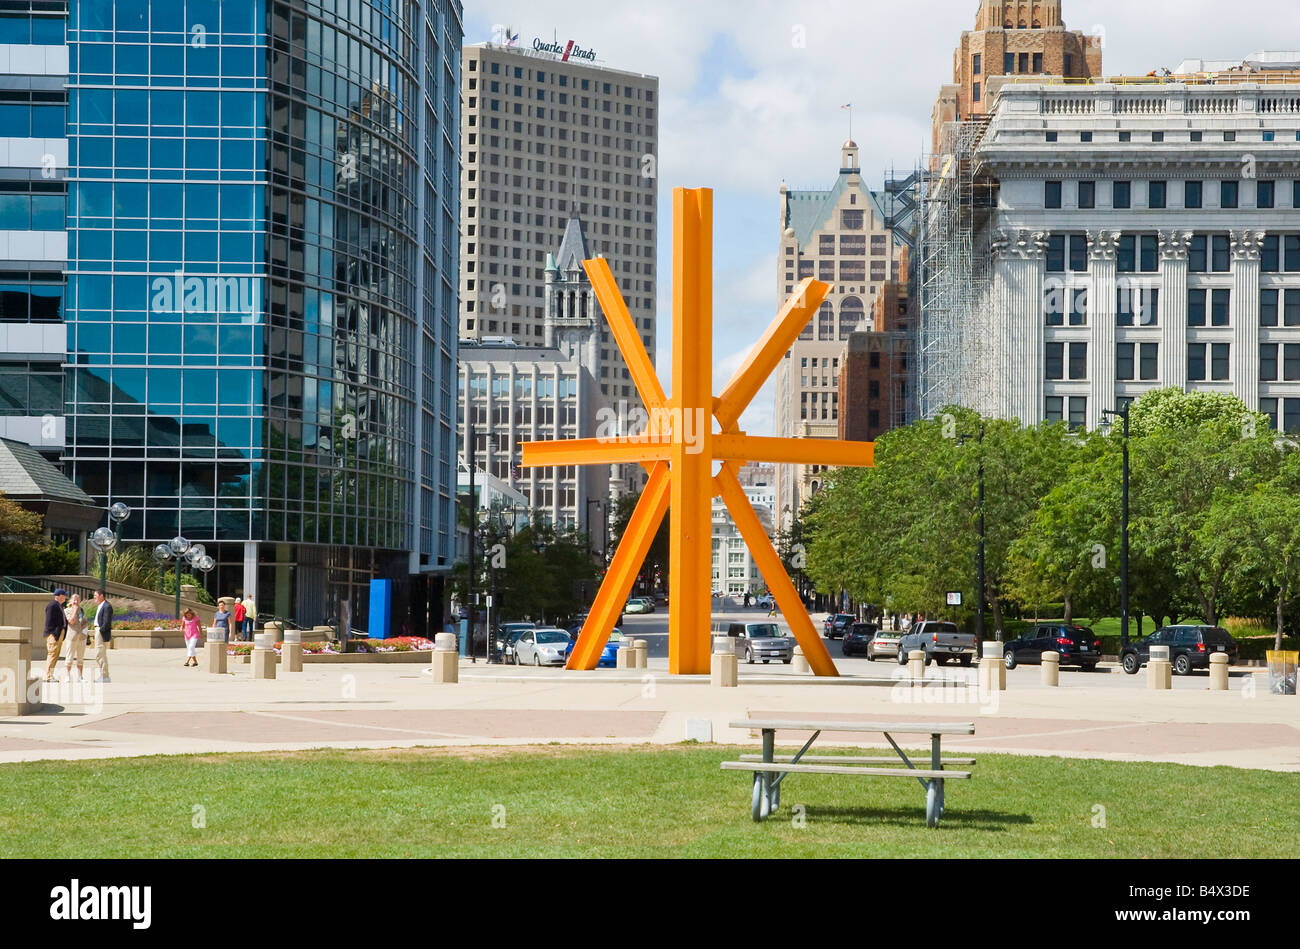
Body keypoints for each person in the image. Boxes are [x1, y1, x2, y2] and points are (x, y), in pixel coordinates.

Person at [43, 589, 68, 682]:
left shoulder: (58, 605)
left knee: (56, 655)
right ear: (60, 596)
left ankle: (50, 675)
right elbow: (49, 621)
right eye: (65, 595)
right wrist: (53, 633)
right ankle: (48, 676)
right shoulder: (52, 605)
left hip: (59, 633)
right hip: (54, 634)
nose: (66, 597)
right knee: (52, 654)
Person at [63, 593, 88, 680]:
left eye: (77, 600)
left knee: (80, 657)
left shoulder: (82, 610)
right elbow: (71, 621)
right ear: (70, 601)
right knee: (69, 657)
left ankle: (80, 676)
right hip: (72, 637)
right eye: (74, 600)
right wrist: (74, 610)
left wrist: (84, 626)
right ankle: (67, 675)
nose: (76, 601)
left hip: (82, 637)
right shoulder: (67, 610)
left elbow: (85, 622)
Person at [90, 590, 113, 683]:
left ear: (101, 596)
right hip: (97, 630)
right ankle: (104, 675)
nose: (94, 597)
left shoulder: (107, 606)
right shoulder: (100, 605)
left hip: (101, 632)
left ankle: (105, 676)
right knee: (99, 654)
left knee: (100, 654)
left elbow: (107, 622)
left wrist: (100, 630)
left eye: (95, 595)